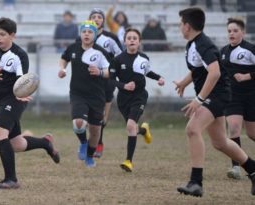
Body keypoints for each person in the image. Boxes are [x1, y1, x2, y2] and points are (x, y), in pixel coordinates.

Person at [174, 7, 255, 197]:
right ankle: (252, 170)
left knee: (192, 129)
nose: (179, 27)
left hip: (216, 95)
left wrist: (199, 99)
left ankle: (196, 182)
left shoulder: (204, 44)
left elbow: (215, 72)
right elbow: (198, 68)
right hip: (217, 94)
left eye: (180, 24)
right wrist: (184, 83)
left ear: (187, 26)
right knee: (220, 142)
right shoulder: (194, 44)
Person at [0, 17, 60, 189]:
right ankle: (45, 143)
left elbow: (23, 81)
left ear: (13, 35)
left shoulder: (19, 55)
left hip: (16, 99)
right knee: (17, 144)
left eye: (2, 34)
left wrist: (23, 94)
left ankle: (11, 179)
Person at [109, 28, 164, 172]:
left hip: (139, 96)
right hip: (123, 98)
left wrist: (159, 78)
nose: (132, 40)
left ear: (139, 42)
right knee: (132, 127)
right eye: (129, 38)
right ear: (125, 41)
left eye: (135, 38)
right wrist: (124, 86)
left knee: (130, 125)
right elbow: (110, 80)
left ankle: (128, 161)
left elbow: (148, 72)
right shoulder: (117, 59)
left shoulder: (144, 58)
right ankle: (144, 130)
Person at [59, 20, 111, 167]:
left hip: (97, 96)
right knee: (78, 123)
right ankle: (83, 142)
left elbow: (111, 71)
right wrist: (63, 69)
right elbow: (64, 58)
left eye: (90, 32)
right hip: (78, 94)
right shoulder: (73, 48)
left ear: (94, 35)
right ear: (80, 34)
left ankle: (89, 156)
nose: (86, 34)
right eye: (84, 32)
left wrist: (100, 71)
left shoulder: (101, 52)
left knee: (95, 131)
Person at [220, 17, 255, 179]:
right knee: (233, 127)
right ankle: (236, 167)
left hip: (251, 96)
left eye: (235, 31)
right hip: (232, 97)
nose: (231, 34)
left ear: (243, 32)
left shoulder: (250, 49)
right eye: (229, 31)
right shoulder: (223, 52)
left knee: (252, 134)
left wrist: (248, 75)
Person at [88, 8, 123, 158]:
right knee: (91, 114)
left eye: (99, 17)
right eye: (94, 17)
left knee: (103, 116)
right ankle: (93, 144)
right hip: (90, 81)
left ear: (103, 20)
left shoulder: (110, 38)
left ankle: (99, 144)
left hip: (107, 79)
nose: (97, 19)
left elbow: (121, 56)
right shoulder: (85, 37)